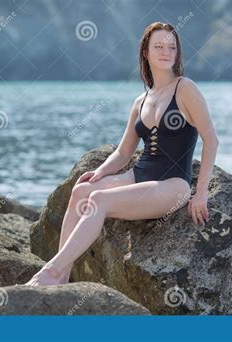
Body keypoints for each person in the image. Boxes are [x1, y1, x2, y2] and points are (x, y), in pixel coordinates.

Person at [25, 22, 219, 286]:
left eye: (172, 47)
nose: (166, 52)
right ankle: (62, 277)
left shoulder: (185, 88)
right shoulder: (141, 101)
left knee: (100, 200)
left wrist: (202, 192)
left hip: (173, 185)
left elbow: (212, 140)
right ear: (145, 53)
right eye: (159, 46)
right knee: (81, 192)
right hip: (138, 176)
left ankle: (49, 272)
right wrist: (100, 171)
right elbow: (124, 151)